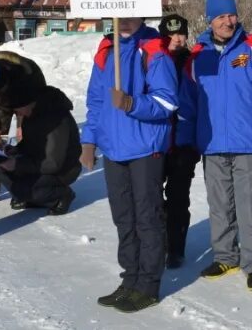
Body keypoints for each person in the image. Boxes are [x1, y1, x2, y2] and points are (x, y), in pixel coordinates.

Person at [185, 0, 252, 292]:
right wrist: (189, 140)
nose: (228, 21)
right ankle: (226, 256)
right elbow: (189, 104)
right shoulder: (197, 55)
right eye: (220, 17)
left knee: (249, 206)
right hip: (212, 145)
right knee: (219, 205)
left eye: (231, 15)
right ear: (210, 21)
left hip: (248, 144)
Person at [82, 16, 177, 313]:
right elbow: (96, 102)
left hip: (144, 148)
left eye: (128, 16)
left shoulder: (154, 51)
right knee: (123, 218)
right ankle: (130, 278)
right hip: (113, 149)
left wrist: (133, 104)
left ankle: (148, 284)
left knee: (146, 217)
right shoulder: (106, 51)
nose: (122, 23)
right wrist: (89, 141)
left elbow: (167, 102)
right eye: (117, 18)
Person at [0, 67, 81, 216]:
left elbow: (53, 163)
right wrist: (14, 151)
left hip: (63, 169)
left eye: (17, 110)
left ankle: (61, 195)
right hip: (37, 163)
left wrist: (18, 164)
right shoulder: (30, 114)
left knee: (25, 188)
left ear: (28, 102)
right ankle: (29, 195)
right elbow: (31, 144)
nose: (17, 114)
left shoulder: (55, 117)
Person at [158, 13, 200, 269]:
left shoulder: (192, 63)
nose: (176, 39)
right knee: (151, 197)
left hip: (184, 142)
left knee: (178, 198)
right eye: (170, 34)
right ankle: (156, 243)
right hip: (157, 142)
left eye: (181, 33)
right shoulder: (152, 60)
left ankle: (175, 248)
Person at [0, 52, 41, 206]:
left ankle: (26, 187)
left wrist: (21, 125)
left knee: (28, 138)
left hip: (27, 103)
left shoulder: (28, 76)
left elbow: (34, 102)